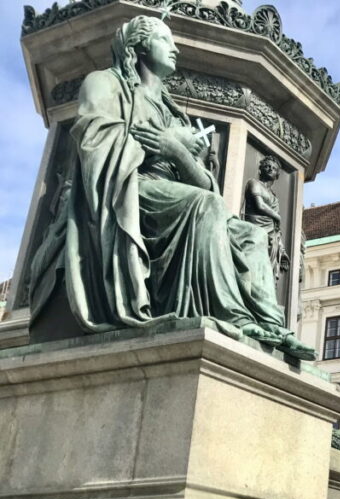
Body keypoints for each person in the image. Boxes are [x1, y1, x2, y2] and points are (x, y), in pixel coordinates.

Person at [28, 16, 314, 359]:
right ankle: (233, 317)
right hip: (127, 190)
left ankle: (271, 326)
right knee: (203, 206)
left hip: (174, 196)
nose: (175, 48)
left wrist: (177, 150)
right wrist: (160, 146)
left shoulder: (175, 114)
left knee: (250, 235)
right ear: (139, 46)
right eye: (166, 40)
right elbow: (95, 146)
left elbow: (206, 183)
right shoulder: (105, 84)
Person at [243, 155, 289, 282]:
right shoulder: (254, 183)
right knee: (252, 261)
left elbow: (276, 228)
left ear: (277, 175)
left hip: (271, 236)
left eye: (273, 168)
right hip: (255, 227)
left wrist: (283, 250)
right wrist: (277, 216)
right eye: (267, 166)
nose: (270, 169)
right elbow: (260, 205)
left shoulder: (274, 197)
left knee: (267, 268)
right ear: (261, 169)